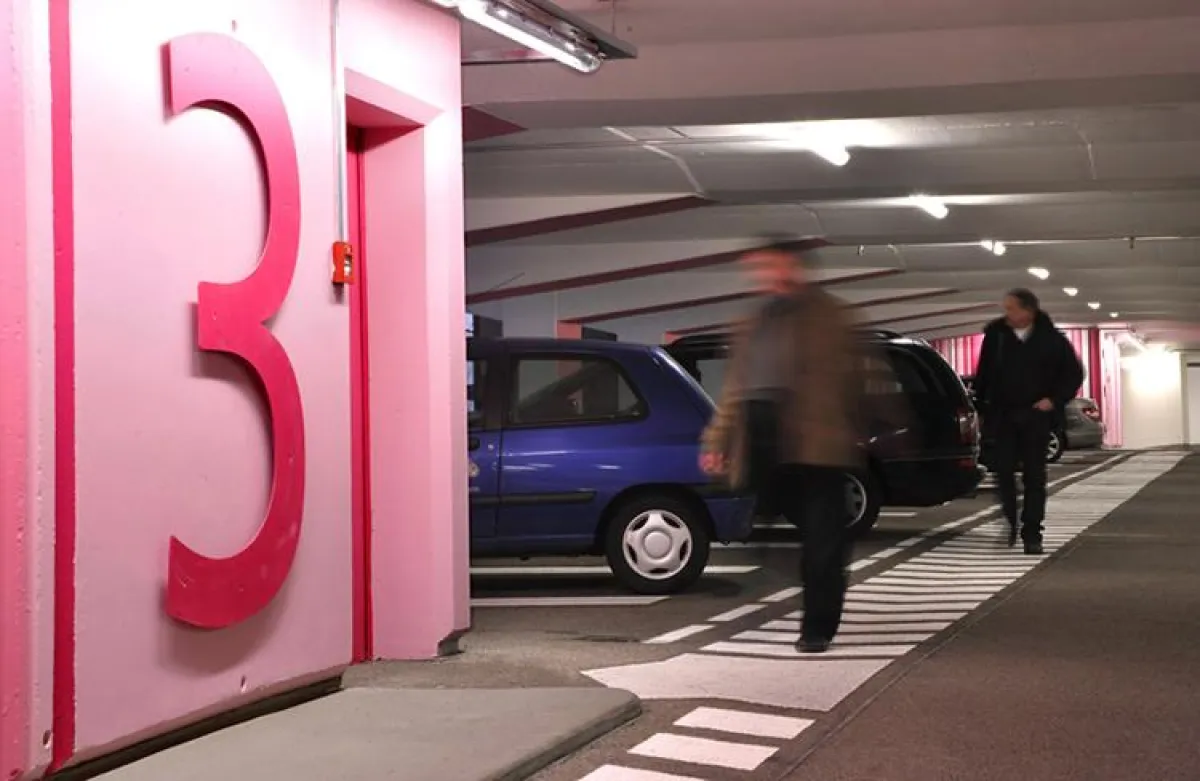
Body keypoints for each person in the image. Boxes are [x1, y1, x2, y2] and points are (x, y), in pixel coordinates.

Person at [698, 243, 864, 654]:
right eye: (759, 268)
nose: (762, 275)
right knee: (764, 529)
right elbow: (736, 387)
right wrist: (718, 439)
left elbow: (854, 378)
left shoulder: (829, 316)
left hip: (817, 441)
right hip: (764, 436)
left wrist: (854, 425)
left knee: (823, 539)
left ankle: (817, 626)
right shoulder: (754, 321)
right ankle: (811, 575)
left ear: (793, 264)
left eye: (769, 264)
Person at [972, 288, 1084, 554]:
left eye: (1012, 308)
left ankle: (1032, 532)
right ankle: (1011, 520)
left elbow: (1073, 374)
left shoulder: (1052, 340)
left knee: (1035, 476)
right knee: (1003, 472)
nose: (1007, 314)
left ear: (1028, 311)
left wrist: (1053, 400)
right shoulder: (996, 337)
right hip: (1004, 415)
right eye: (1006, 308)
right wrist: (982, 406)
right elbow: (984, 374)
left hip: (1036, 417)